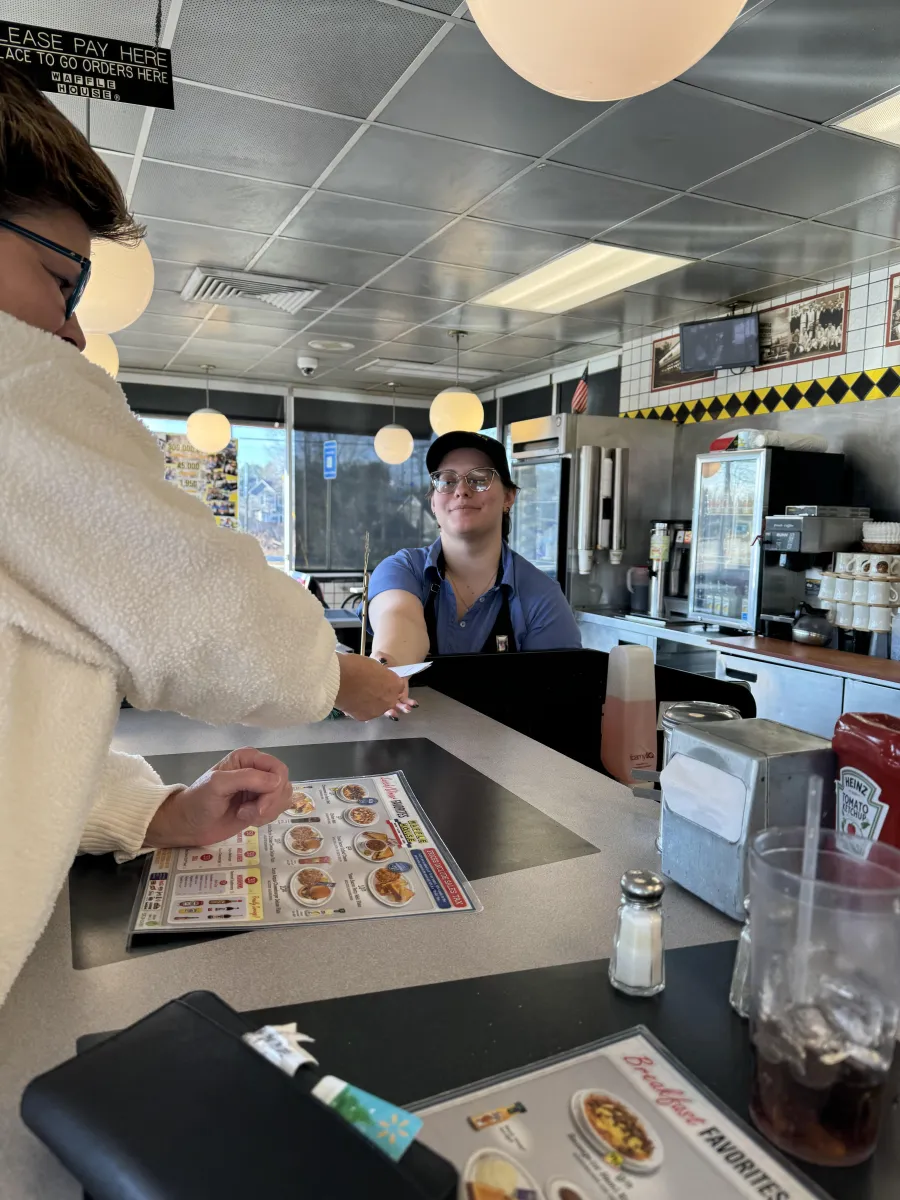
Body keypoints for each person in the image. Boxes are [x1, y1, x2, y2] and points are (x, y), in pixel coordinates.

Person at [0, 65, 408, 1004]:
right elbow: (218, 622)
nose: (68, 335)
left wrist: (157, 812)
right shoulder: (18, 383)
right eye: (61, 284)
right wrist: (341, 674)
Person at [368, 431, 582, 663]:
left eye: (479, 480)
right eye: (448, 481)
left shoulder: (541, 597)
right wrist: (389, 665)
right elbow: (399, 621)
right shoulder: (403, 569)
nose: (461, 490)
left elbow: (557, 688)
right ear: (432, 502)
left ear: (508, 497)